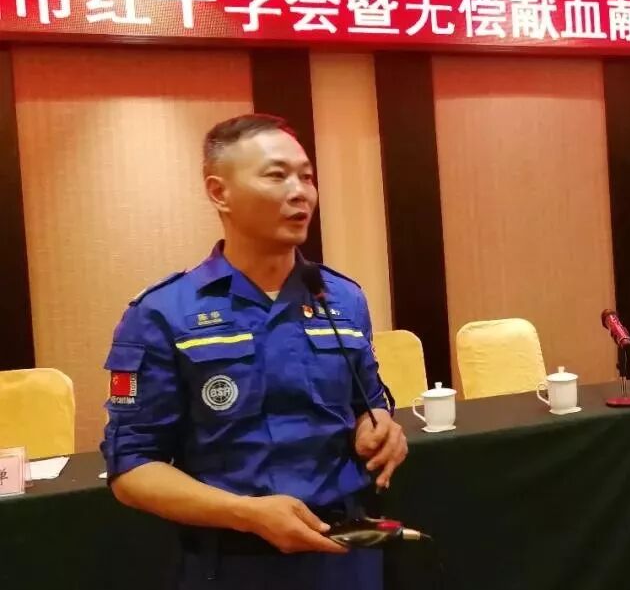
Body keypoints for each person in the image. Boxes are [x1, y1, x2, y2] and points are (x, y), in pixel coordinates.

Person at [101, 114, 407, 589]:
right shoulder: (162, 313)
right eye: (277, 175)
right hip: (233, 561)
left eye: (307, 176)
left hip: (347, 553)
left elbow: (369, 403)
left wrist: (382, 426)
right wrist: (246, 513)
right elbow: (131, 468)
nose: (300, 192)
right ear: (219, 192)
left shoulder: (343, 298)